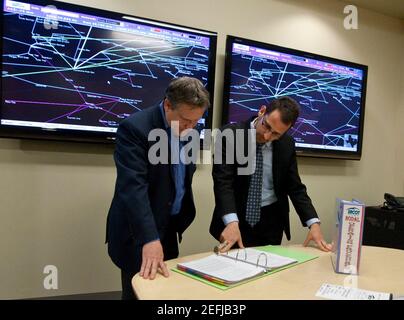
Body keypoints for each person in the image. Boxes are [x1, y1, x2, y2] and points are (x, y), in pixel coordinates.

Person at [106, 76, 210, 299]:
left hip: (169, 229)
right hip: (139, 233)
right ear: (168, 105)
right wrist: (149, 238)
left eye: (196, 122)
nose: (191, 127)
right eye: (185, 120)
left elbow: (181, 178)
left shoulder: (189, 130)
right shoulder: (135, 129)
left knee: (165, 294)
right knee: (139, 293)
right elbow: (133, 188)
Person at [209, 96, 332, 253]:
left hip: (271, 222)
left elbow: (295, 187)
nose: (267, 136)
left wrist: (314, 224)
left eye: (276, 134)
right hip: (236, 218)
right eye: (266, 126)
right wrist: (231, 222)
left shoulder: (287, 144)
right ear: (262, 111)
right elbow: (223, 182)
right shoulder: (229, 135)